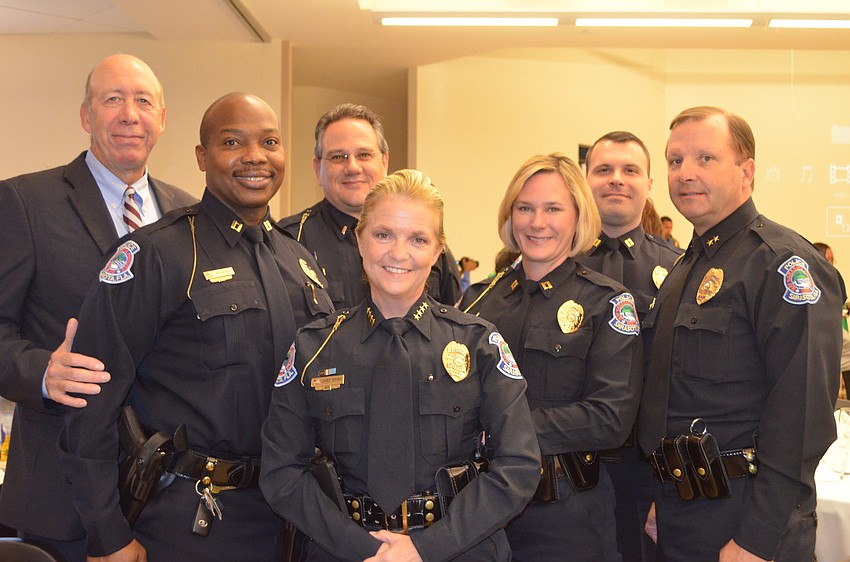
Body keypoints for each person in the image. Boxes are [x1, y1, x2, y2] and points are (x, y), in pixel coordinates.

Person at [58, 93, 334, 561]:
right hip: (191, 521)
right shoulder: (157, 255)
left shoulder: (300, 262)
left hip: (293, 518)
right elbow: (90, 403)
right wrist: (107, 534)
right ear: (203, 158)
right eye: (233, 142)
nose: (255, 157)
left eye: (270, 141)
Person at [261, 169, 540, 561]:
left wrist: (426, 548)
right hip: (343, 551)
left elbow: (519, 466)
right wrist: (363, 549)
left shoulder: (479, 344)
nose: (399, 253)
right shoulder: (315, 347)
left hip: (459, 550)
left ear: (438, 250)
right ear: (360, 239)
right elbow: (281, 472)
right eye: (383, 234)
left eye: (418, 239)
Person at [0, 53, 196, 560]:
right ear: (87, 116)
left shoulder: (187, 213)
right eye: (113, 99)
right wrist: (43, 372)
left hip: (169, 497)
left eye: (143, 101)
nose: (130, 114)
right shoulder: (24, 202)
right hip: (59, 497)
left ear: (161, 119)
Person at [636, 106, 845, 561]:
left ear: (746, 171)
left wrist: (759, 536)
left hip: (746, 521)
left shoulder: (783, 264)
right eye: (674, 161)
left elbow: (802, 418)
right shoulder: (684, 269)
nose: (685, 173)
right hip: (678, 512)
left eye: (705, 158)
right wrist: (658, 496)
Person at [460, 153, 643, 561]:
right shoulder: (478, 304)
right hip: (480, 515)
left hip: (567, 517)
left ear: (578, 217)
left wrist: (503, 429)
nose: (536, 222)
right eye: (524, 208)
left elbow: (610, 418)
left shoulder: (607, 304)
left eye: (552, 209)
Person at [581, 131, 682, 562]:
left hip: (649, 474)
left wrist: (673, 490)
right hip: (572, 471)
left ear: (649, 184)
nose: (616, 179)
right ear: (585, 181)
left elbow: (684, 383)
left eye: (630, 170)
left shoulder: (679, 269)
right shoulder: (556, 264)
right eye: (603, 170)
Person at [279, 103, 461, 309]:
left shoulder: (426, 241)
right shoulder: (290, 241)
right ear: (317, 167)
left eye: (364, 155)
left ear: (384, 162)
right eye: (339, 157)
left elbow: (450, 325)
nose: (353, 167)